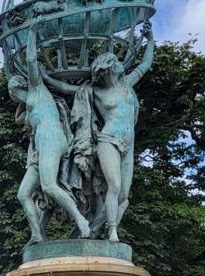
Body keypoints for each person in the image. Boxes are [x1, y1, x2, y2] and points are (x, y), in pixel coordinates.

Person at [43, 23, 155, 242]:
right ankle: (112, 231)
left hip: (128, 145)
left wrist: (150, 39)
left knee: (124, 197)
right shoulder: (95, 92)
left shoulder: (126, 85)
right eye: (117, 63)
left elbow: (146, 63)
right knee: (114, 186)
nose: (122, 64)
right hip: (108, 141)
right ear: (108, 69)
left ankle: (88, 233)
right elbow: (67, 90)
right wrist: (45, 79)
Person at [8, 22, 91, 246]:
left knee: (49, 186)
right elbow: (19, 119)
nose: (12, 92)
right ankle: (37, 235)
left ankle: (81, 220)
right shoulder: (29, 105)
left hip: (53, 139)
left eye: (12, 89)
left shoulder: (36, 89)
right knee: (23, 194)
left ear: (19, 87)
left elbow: (32, 61)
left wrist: (33, 33)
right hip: (41, 146)